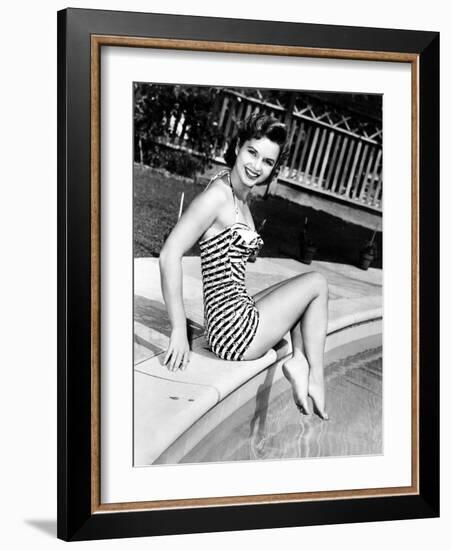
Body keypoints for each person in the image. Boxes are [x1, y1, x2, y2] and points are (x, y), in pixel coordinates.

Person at [159, 113, 329, 420]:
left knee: (302, 291)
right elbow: (169, 253)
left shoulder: (238, 196)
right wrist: (178, 329)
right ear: (237, 146)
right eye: (252, 152)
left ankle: (299, 359)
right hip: (235, 333)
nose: (256, 166)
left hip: (232, 318)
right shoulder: (218, 197)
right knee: (316, 283)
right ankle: (314, 375)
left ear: (273, 168)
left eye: (266, 161)